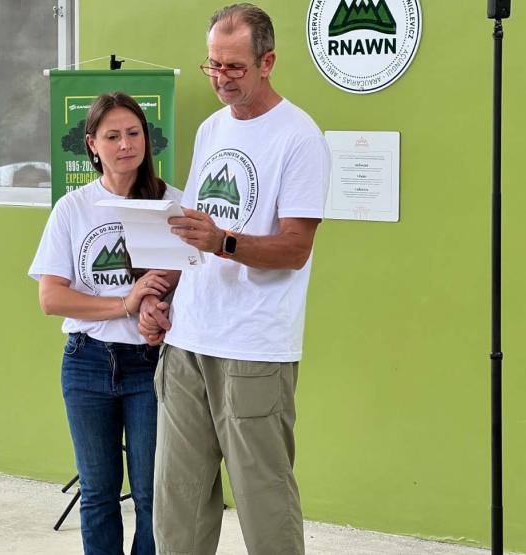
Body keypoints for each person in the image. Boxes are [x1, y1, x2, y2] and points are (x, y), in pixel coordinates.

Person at [139, 4, 330, 554]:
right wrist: (161, 295)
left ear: (267, 62)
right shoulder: (211, 129)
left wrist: (224, 241)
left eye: (234, 67)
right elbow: (192, 234)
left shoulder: (299, 138)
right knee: (177, 501)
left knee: (264, 501)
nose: (221, 78)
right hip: (187, 341)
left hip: (254, 347)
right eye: (213, 65)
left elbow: (295, 248)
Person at [29, 91, 181, 555]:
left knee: (153, 494)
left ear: (147, 139)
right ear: (92, 144)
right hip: (86, 363)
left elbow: (195, 280)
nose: (125, 145)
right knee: (97, 494)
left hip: (151, 364)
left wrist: (160, 307)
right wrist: (127, 303)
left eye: (133, 133)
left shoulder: (173, 203)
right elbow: (52, 298)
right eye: (112, 136)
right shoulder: (73, 208)